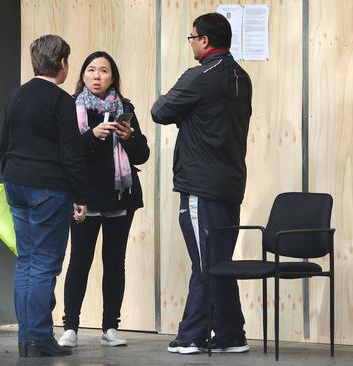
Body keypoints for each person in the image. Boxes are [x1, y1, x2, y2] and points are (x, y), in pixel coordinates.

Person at [151, 12, 252, 354]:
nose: (191, 42)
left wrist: (185, 113)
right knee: (218, 260)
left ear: (205, 41)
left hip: (201, 185)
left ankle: (191, 335)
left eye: (192, 37)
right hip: (232, 183)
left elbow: (160, 110)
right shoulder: (242, 77)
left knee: (205, 261)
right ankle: (230, 334)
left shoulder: (199, 77)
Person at [0, 34, 87, 358]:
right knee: (44, 266)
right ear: (62, 63)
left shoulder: (16, 96)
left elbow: (3, 146)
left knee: (25, 262)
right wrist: (80, 196)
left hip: (15, 183)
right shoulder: (61, 101)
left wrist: (11, 176)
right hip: (48, 188)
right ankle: (38, 338)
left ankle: (26, 339)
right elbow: (71, 154)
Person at [57, 51, 150, 348]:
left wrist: (128, 137)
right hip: (83, 196)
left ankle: (110, 327)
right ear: (83, 75)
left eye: (104, 71)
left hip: (120, 195)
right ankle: (70, 326)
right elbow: (65, 156)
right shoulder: (70, 108)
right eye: (91, 70)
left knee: (114, 262)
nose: (97, 76)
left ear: (113, 77)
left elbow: (143, 155)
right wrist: (92, 135)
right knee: (80, 261)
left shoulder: (127, 108)